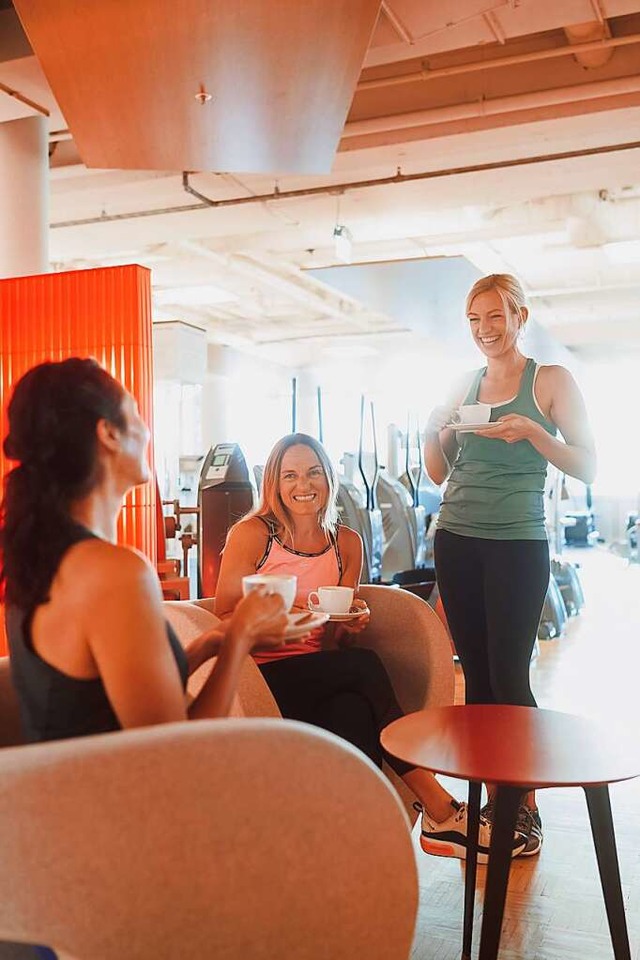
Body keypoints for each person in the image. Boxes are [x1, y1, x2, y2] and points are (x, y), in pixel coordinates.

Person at [216, 432, 527, 861]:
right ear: (274, 483)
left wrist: (351, 622)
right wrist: (276, 623)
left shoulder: (346, 544)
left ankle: (360, 849)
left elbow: (334, 643)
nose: (302, 484)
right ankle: (438, 807)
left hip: (318, 674)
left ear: (328, 478)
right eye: (290, 475)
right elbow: (223, 620)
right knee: (362, 667)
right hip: (256, 683)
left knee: (354, 707)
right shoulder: (252, 535)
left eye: (313, 472)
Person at [0, 358, 289, 744]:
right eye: (136, 413)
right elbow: (172, 751)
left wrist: (213, 641)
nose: (147, 430)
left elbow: (102, 700)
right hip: (122, 797)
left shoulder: (41, 559)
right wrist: (242, 639)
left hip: (61, 791)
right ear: (109, 434)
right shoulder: (114, 571)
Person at [425, 273, 596, 856]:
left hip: (518, 541)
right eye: (474, 320)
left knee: (510, 677)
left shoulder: (550, 382)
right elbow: (438, 472)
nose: (484, 331)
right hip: (457, 537)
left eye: (494, 317)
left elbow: (589, 466)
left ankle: (524, 806)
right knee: (474, 680)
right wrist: (431, 431)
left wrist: (532, 432)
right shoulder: (464, 384)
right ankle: (486, 804)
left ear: (519, 317)